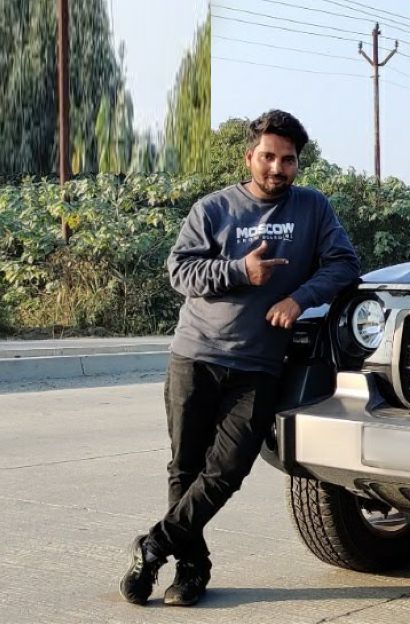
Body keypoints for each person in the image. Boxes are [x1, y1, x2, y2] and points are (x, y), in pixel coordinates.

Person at [119, 110, 360, 606]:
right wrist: (237, 272)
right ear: (249, 156)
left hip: (259, 366)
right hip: (195, 356)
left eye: (287, 160)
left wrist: (299, 299)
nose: (277, 168)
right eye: (268, 156)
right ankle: (192, 570)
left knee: (227, 471)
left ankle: (154, 545)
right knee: (185, 468)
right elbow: (180, 272)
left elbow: (344, 264)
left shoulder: (313, 208)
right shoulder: (213, 209)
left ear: (298, 163)